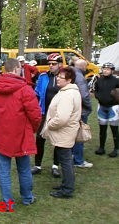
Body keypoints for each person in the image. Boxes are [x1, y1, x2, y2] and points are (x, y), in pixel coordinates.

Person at [0, 58, 42, 207]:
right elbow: (36, 114)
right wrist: (33, 129)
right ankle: (27, 197)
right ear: (17, 69)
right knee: (24, 168)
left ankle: (7, 203)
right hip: (20, 134)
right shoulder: (25, 89)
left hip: (1, 133)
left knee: (4, 170)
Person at [40, 67, 81, 198]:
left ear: (69, 80)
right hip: (66, 132)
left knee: (66, 160)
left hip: (64, 132)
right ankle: (66, 185)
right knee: (65, 160)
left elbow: (62, 118)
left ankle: (67, 189)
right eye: (58, 76)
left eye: (61, 77)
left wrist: (49, 124)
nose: (57, 78)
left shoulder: (68, 94)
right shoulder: (67, 91)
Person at [32, 53, 63, 177]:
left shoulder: (65, 77)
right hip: (44, 112)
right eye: (49, 64)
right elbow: (37, 94)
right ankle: (37, 165)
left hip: (59, 113)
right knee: (40, 138)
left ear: (60, 64)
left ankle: (55, 165)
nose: (51, 66)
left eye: (54, 64)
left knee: (58, 140)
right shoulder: (43, 76)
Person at [92, 62, 119, 157]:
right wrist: (98, 96)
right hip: (101, 107)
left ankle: (116, 149)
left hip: (113, 107)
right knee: (102, 129)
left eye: (107, 69)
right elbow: (96, 90)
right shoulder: (99, 80)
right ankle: (101, 147)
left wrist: (114, 99)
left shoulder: (116, 81)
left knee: (114, 129)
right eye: (104, 69)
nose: (105, 71)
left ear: (112, 71)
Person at [72, 59, 93, 168]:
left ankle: (71, 156)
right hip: (80, 110)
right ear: (83, 67)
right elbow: (84, 95)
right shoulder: (79, 77)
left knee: (71, 134)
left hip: (71, 109)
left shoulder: (70, 73)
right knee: (79, 135)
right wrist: (89, 107)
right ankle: (78, 160)